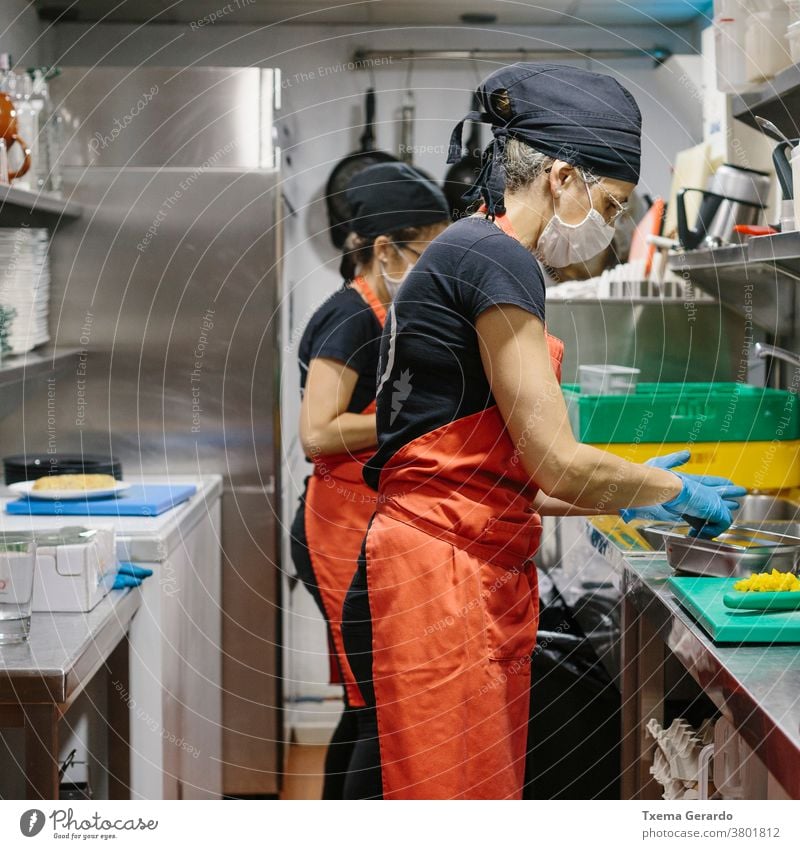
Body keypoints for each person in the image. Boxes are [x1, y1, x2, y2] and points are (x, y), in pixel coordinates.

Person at [341, 63, 746, 800]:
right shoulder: (495, 259)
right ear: (562, 176)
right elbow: (556, 461)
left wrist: (622, 493)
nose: (614, 226)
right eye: (612, 203)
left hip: (449, 567)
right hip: (445, 585)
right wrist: (671, 487)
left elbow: (490, 469)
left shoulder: (474, 249)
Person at [290, 162, 450, 798]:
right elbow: (318, 433)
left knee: (371, 707)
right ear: (384, 249)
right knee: (376, 710)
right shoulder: (350, 319)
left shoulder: (392, 307)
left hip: (370, 521)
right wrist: (399, 416)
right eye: (427, 250)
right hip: (337, 527)